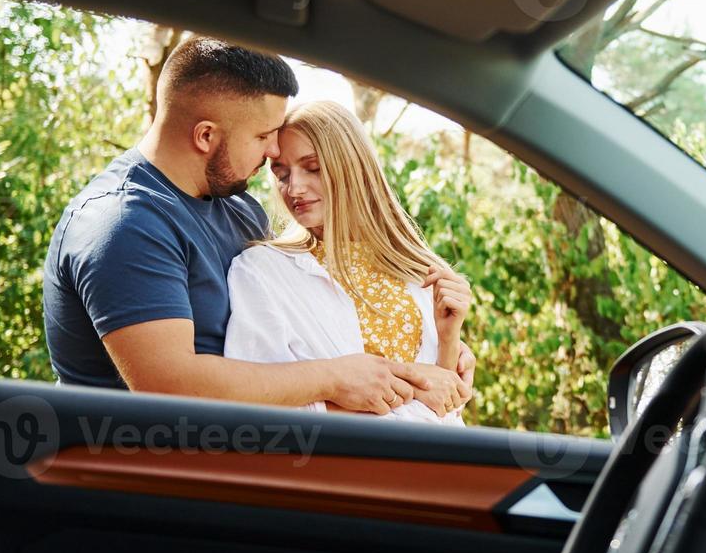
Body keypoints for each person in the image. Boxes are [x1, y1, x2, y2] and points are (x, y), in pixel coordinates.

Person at [42, 36, 469, 415]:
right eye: (264, 135)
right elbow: (171, 388)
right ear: (205, 136)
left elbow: (294, 324)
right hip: (140, 482)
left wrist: (431, 349)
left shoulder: (239, 208)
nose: (271, 152)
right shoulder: (123, 224)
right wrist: (335, 377)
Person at [224, 101, 474, 423]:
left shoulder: (416, 269)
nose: (294, 188)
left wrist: (449, 338)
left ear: (352, 165)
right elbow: (256, 411)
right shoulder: (262, 271)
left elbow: (445, 405)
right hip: (337, 469)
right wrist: (418, 391)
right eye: (282, 174)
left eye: (312, 167)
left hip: (433, 467)